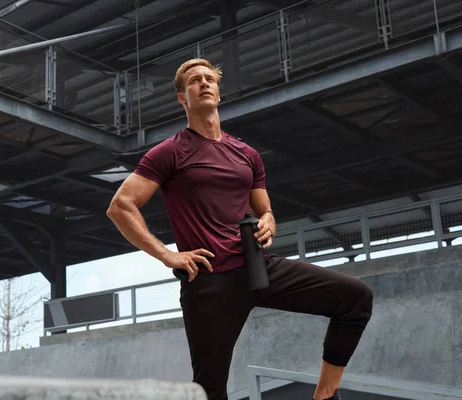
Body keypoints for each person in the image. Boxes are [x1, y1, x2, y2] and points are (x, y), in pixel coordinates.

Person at [106, 58, 373, 400]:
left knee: (355, 298)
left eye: (209, 79)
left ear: (218, 91)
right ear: (182, 98)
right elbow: (120, 206)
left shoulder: (247, 154)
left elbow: (265, 208)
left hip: (259, 267)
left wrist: (268, 220)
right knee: (208, 390)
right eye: (194, 81)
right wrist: (166, 255)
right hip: (209, 281)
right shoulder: (169, 153)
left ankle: (323, 396)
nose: (203, 83)